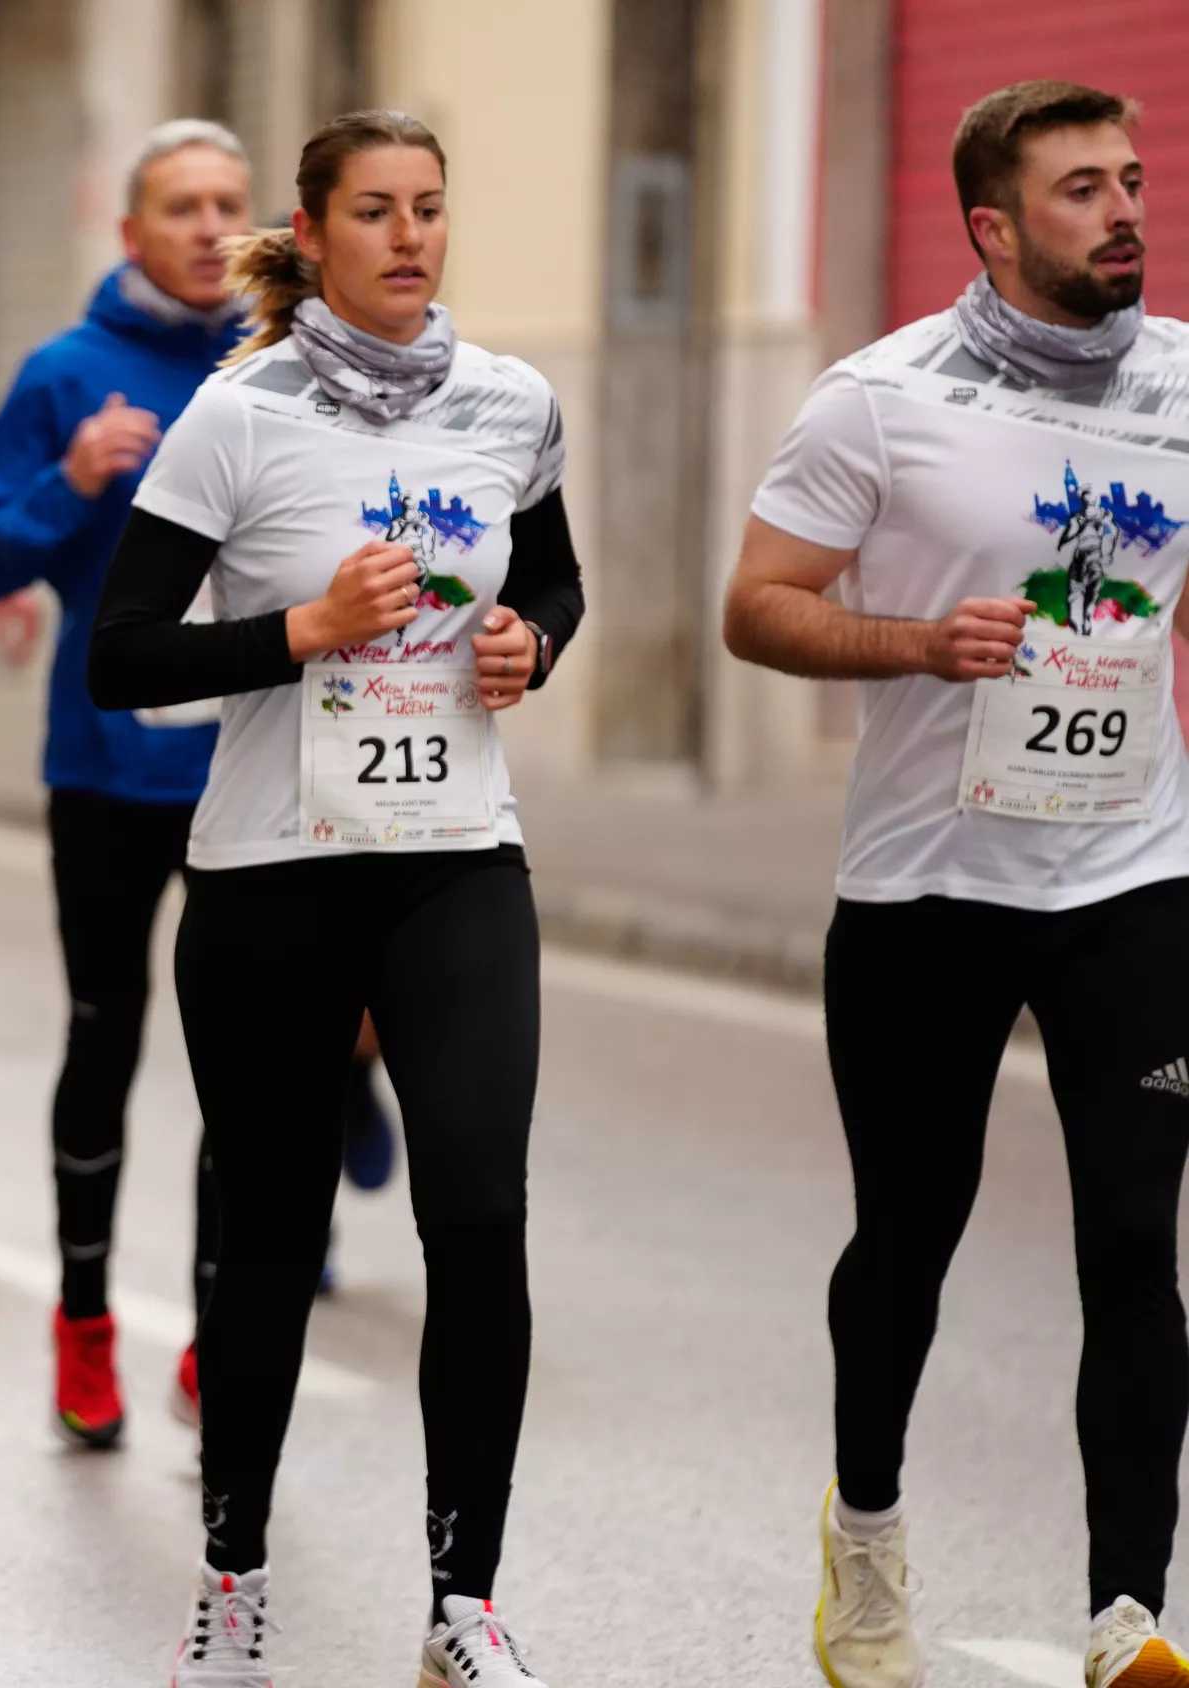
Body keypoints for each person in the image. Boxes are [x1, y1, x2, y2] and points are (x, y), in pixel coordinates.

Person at [87, 111, 582, 1687]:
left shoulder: (514, 402)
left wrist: (534, 648)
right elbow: (124, 659)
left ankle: (464, 1606)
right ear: (313, 231)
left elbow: (554, 579)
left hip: (456, 865)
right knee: (275, 1232)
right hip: (272, 879)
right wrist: (297, 628)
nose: (411, 236)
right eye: (376, 211)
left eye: (431, 208)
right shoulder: (237, 416)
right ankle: (232, 1580)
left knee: (481, 1219)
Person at [720, 79, 1189, 1688]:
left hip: (1133, 869)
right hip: (930, 882)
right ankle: (865, 1533)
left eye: (1130, 182)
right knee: (909, 1234)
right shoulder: (878, 399)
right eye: (1081, 190)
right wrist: (919, 642)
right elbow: (760, 606)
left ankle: (1130, 1610)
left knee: (1136, 1233)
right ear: (992, 228)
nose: (1125, 210)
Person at [0, 117, 262, 1447]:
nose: (206, 230)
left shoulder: (291, 366)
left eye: (227, 206)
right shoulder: (70, 373)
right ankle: (84, 1316)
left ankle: (216, 1329)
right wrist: (73, 483)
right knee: (109, 1032)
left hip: (260, 758)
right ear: (130, 233)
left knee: (245, 1063)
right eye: (179, 208)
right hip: (111, 766)